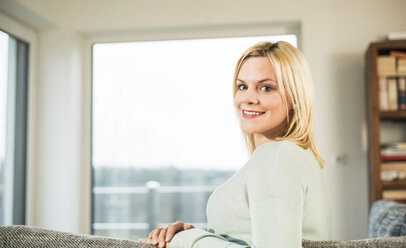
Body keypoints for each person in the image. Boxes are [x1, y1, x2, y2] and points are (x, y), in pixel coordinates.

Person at [139, 41, 332, 248]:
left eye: (266, 88)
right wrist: (199, 235)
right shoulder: (298, 157)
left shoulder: (276, 155)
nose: (248, 98)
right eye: (242, 86)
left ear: (295, 96)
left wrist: (185, 240)